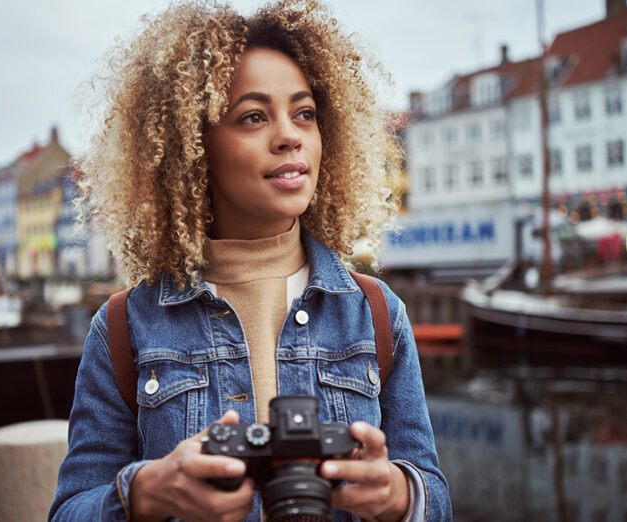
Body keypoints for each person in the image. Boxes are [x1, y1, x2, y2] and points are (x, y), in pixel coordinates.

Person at [49, 1, 452, 520]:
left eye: (304, 113)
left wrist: (398, 495)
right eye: (254, 117)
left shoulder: (376, 313)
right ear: (193, 146)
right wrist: (147, 492)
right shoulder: (124, 329)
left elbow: (435, 496)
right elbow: (70, 509)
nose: (289, 135)